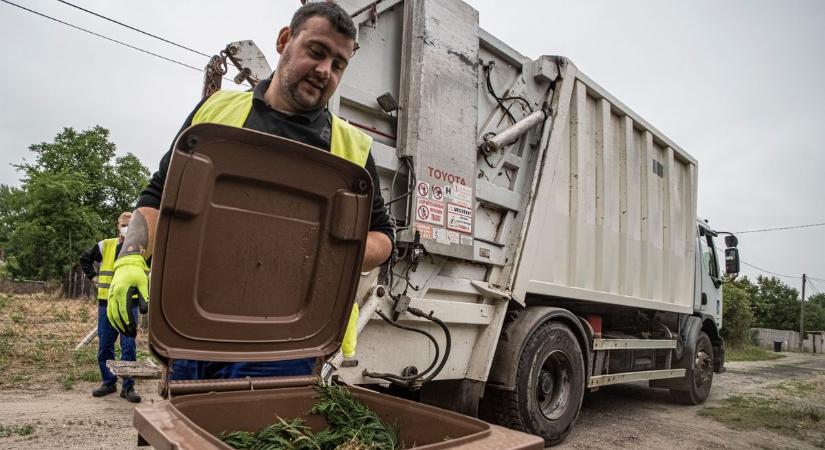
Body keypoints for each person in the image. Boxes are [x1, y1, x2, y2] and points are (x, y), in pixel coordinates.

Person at [106, 2, 394, 380]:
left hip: (289, 343)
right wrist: (130, 258)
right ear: (284, 40)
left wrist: (332, 255)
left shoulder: (351, 148)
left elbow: (383, 238)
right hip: (195, 333)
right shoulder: (216, 112)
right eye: (317, 52)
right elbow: (159, 198)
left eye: (338, 64)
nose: (325, 71)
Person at [79, 212, 142, 402]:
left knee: (128, 347)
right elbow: (84, 259)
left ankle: (128, 387)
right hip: (106, 304)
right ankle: (108, 382)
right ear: (118, 226)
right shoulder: (105, 245)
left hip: (129, 305)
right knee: (105, 345)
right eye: (123, 224)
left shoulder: (140, 248)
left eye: (129, 224)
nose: (126, 227)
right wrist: (93, 278)